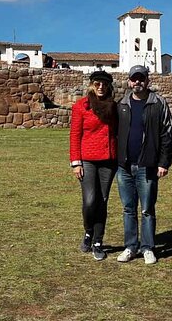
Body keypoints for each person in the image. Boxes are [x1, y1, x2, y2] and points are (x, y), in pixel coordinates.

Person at [116, 65, 172, 264]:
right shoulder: (122, 104)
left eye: (141, 78)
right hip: (124, 165)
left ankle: (147, 247)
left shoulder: (157, 103)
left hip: (147, 165)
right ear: (129, 81)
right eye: (134, 79)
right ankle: (130, 246)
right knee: (128, 208)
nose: (137, 82)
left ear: (147, 80)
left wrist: (164, 162)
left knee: (147, 208)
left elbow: (167, 134)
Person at [70, 70, 118, 261]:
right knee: (90, 200)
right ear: (91, 84)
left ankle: (98, 241)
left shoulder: (113, 106)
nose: (101, 87)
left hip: (108, 160)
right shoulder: (81, 106)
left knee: (102, 200)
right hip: (87, 159)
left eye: (104, 84)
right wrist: (76, 163)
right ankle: (88, 231)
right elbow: (75, 135)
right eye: (97, 83)